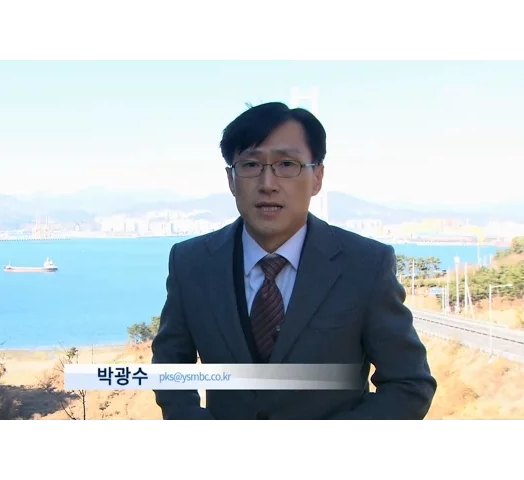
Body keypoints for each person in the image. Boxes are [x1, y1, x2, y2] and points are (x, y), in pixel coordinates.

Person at [151, 101, 437, 420]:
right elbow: (170, 368)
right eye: (250, 165)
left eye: (287, 164)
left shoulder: (365, 264)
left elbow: (409, 383)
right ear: (231, 179)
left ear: (317, 177)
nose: (268, 184)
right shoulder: (191, 263)